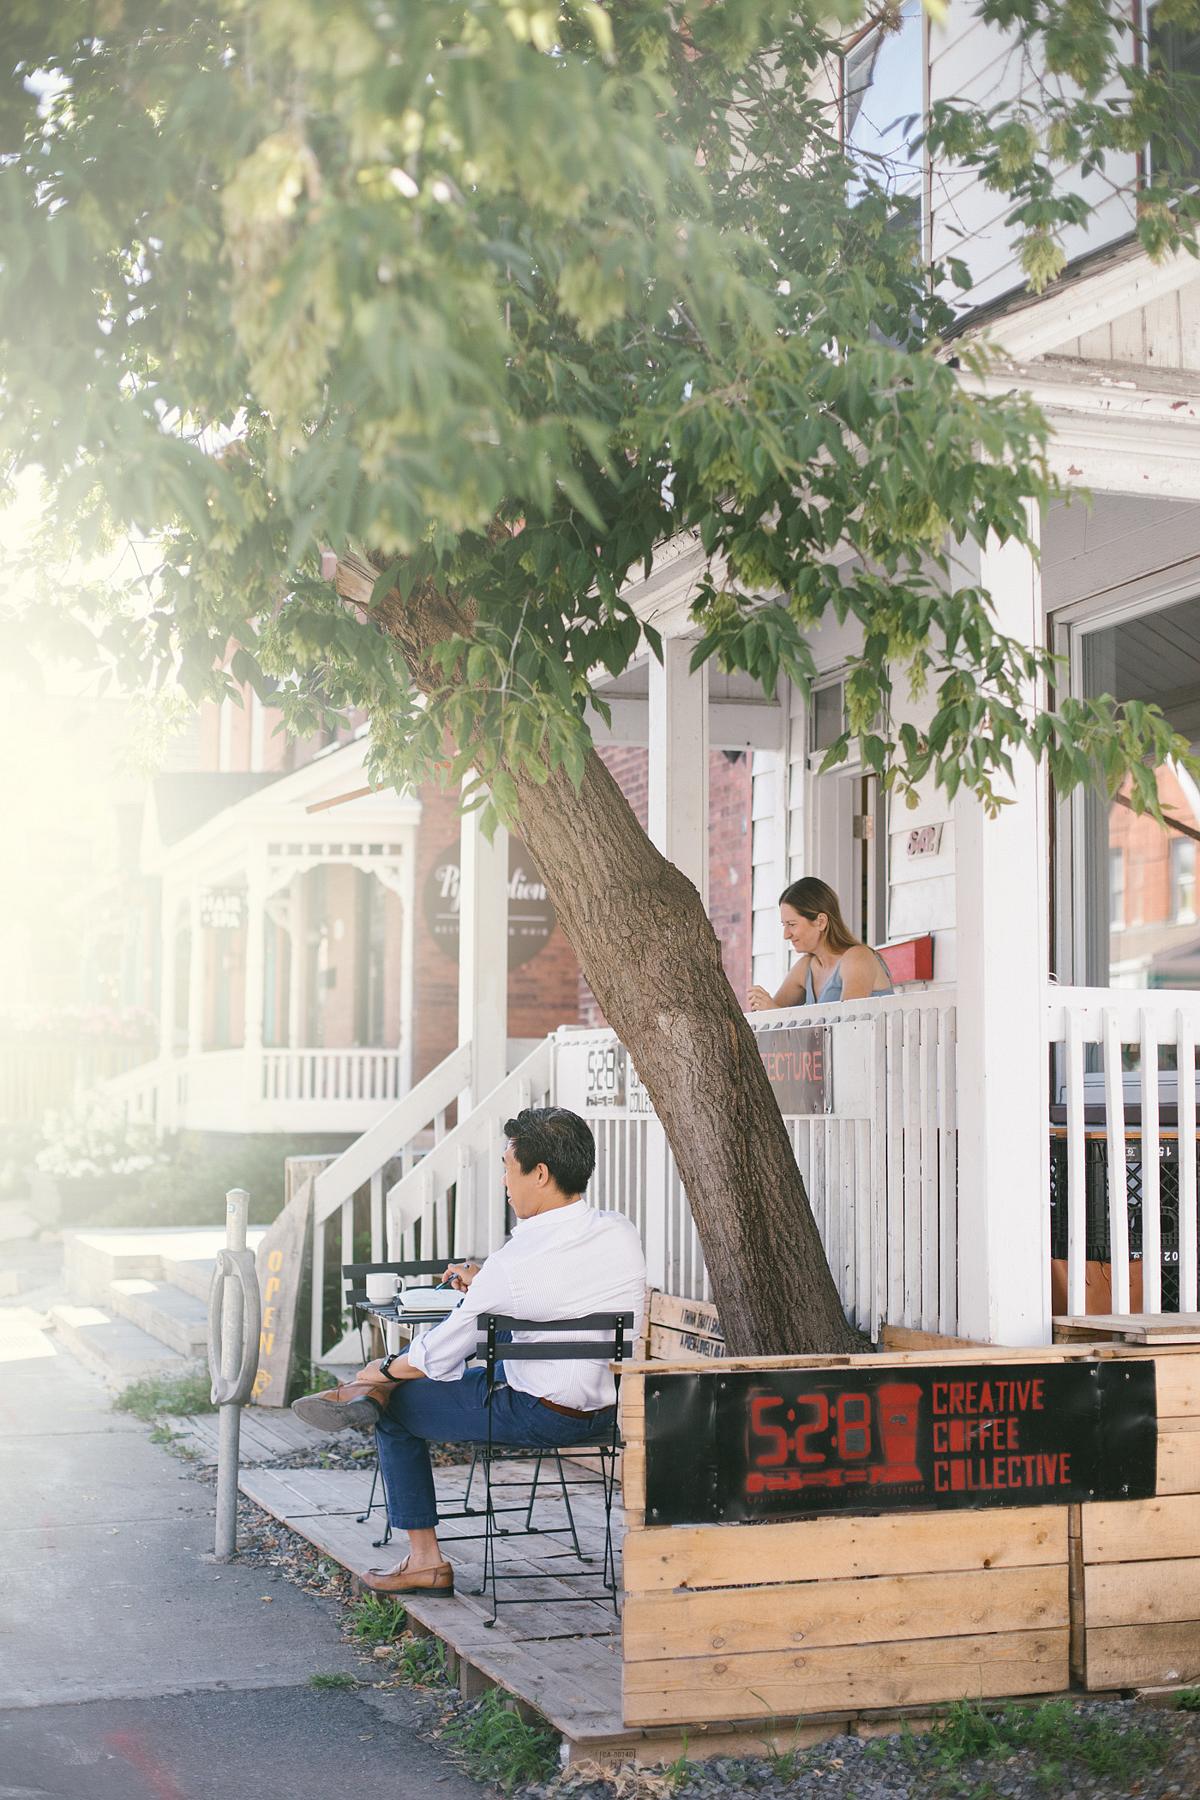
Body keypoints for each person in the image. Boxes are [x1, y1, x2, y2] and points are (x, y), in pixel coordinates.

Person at [291, 1105, 646, 1596]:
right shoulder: (619, 1231)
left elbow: (438, 1354)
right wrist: (485, 1288)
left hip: (539, 1412)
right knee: (407, 1382)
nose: (504, 1180)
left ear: (539, 1174)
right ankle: (361, 1393)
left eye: (507, 1167)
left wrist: (385, 1367)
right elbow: (553, 1296)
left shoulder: (514, 1264)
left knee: (396, 1403)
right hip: (612, 1412)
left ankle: (424, 1559)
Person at [747, 876, 894, 1011]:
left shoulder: (858, 957)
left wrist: (774, 1012)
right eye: (784, 925)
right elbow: (771, 1017)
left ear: (821, 922)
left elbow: (850, 1024)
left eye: (792, 924)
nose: (786, 935)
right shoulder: (806, 967)